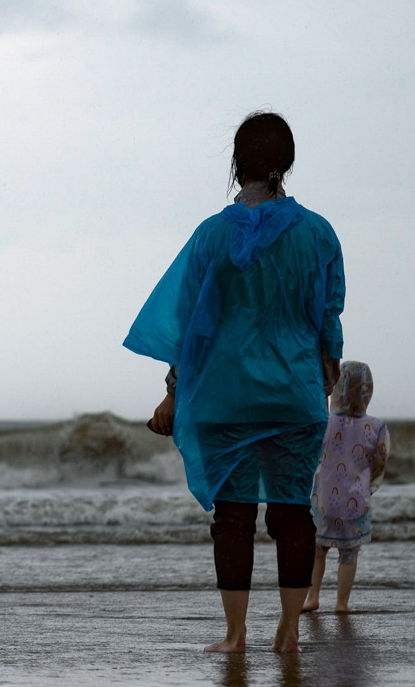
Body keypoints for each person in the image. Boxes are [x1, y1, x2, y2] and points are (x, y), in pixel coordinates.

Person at [125, 112, 344, 653]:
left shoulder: (211, 236)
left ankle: (235, 634)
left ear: (236, 164)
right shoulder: (318, 234)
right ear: (285, 164)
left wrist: (174, 392)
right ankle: (290, 633)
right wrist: (327, 375)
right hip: (293, 393)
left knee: (235, 517)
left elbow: (189, 327)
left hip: (225, 396)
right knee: (293, 511)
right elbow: (328, 317)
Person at [304, 362, 387, 615]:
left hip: (324, 498)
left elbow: (311, 455)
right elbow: (379, 462)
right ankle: (341, 603)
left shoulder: (324, 422)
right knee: (349, 554)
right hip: (356, 499)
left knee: (318, 550)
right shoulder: (376, 426)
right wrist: (369, 487)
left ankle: (312, 596)